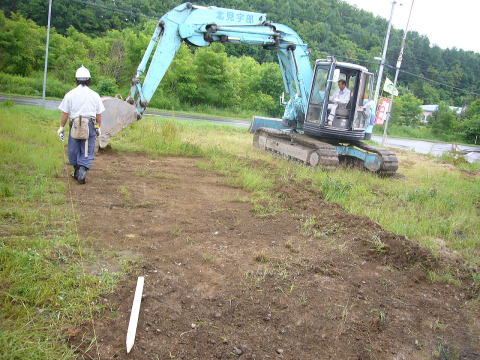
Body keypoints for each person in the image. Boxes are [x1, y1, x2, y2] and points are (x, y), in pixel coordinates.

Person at [57, 66, 105, 184]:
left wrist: (61, 128)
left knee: (73, 148)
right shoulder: (95, 95)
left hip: (75, 125)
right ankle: (82, 169)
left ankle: (77, 169)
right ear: (89, 80)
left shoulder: (70, 94)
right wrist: (98, 128)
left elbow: (65, 114)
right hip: (90, 125)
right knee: (87, 149)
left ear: (76, 79)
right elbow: (99, 115)